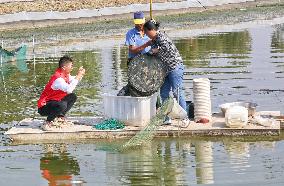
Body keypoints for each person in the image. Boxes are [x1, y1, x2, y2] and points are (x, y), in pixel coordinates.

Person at [143, 19, 189, 127]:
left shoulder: (161, 37)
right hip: (165, 71)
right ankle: (166, 118)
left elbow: (166, 49)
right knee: (164, 93)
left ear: (152, 30)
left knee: (177, 92)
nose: (146, 34)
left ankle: (185, 118)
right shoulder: (154, 40)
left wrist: (154, 51)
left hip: (174, 68)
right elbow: (154, 54)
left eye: (146, 32)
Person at [37, 55, 85, 130]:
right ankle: (48, 121)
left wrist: (80, 75)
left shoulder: (65, 75)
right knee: (62, 105)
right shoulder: (58, 78)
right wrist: (78, 76)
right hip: (44, 106)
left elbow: (73, 81)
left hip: (53, 102)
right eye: (71, 66)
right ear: (64, 67)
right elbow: (69, 89)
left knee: (72, 96)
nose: (72, 68)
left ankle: (60, 116)